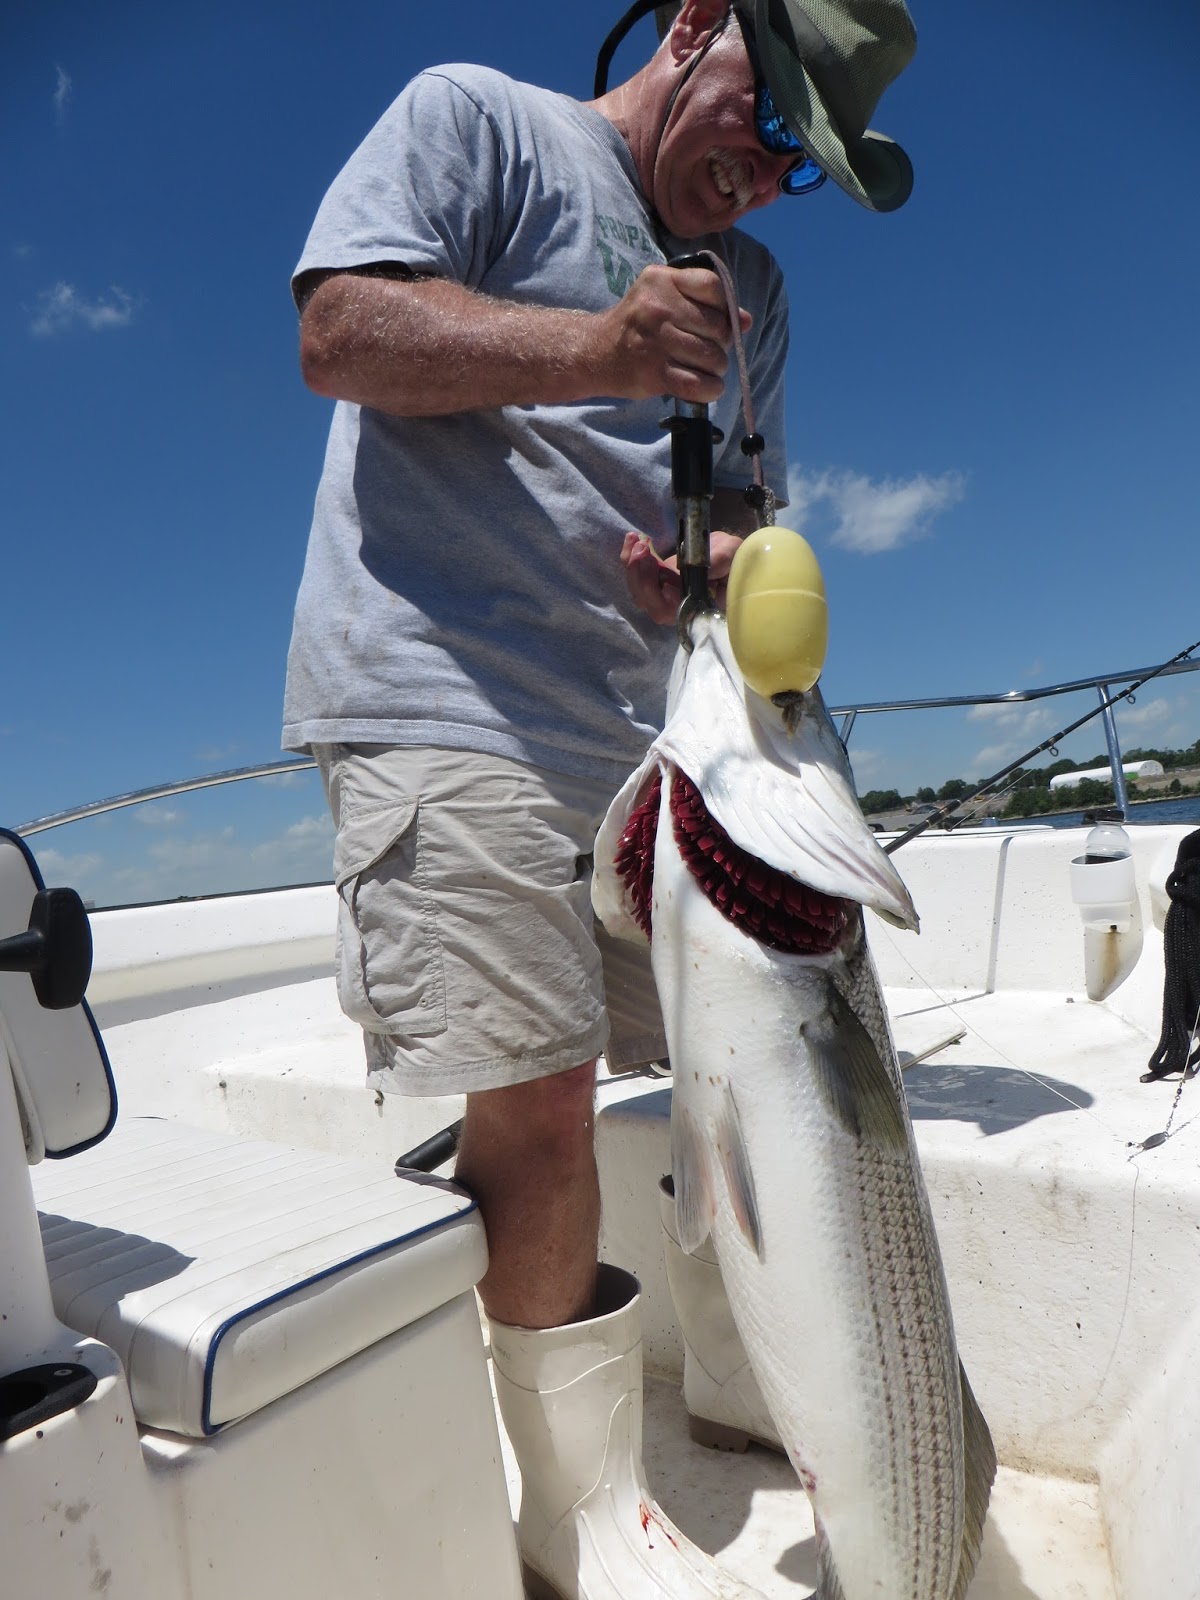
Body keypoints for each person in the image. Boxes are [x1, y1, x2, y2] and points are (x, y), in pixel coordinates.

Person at [285, 3, 915, 1595]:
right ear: (697, 24)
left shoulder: (755, 294)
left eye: (801, 171)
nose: (765, 183)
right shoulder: (476, 121)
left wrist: (709, 567)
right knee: (545, 1100)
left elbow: (751, 505)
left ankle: (747, 1376)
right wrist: (598, 347)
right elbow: (339, 333)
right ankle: (578, 1514)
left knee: (734, 1082)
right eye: (769, 127)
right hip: (449, 693)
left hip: (654, 741)